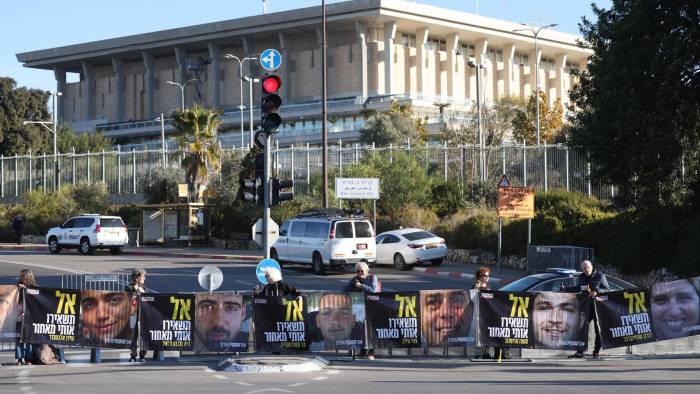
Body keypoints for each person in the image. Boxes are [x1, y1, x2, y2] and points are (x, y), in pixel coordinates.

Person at [564, 260, 609, 359]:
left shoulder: (599, 276)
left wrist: (597, 291)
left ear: (591, 267)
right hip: (586, 307)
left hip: (598, 308)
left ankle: (596, 352)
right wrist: (566, 289)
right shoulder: (581, 277)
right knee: (581, 328)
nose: (586, 270)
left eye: (587, 267)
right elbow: (578, 288)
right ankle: (580, 351)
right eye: (584, 268)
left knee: (598, 330)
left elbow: (607, 289)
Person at [344, 262, 379, 359]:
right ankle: (363, 351)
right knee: (361, 330)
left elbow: (373, 290)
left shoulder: (372, 277)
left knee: (370, 329)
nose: (360, 273)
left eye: (362, 271)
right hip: (359, 307)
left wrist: (361, 286)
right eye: (358, 271)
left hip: (371, 306)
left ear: (367, 270)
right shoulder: (355, 279)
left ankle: (371, 352)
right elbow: (344, 289)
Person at [472, 267, 506, 359]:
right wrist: (478, 286)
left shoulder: (488, 286)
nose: (487, 278)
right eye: (485, 275)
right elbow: (474, 297)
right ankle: (479, 353)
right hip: (478, 313)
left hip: (487, 314)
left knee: (486, 333)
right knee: (479, 334)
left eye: (488, 276)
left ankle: (486, 352)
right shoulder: (476, 286)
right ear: (479, 276)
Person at [125, 268, 147, 362]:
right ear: (137, 278)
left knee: (143, 335)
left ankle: (142, 355)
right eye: (143, 277)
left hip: (142, 314)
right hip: (133, 315)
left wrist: (142, 291)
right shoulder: (129, 287)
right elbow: (126, 297)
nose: (144, 278)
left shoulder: (144, 288)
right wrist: (135, 289)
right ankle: (133, 355)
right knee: (133, 335)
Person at [16, 269, 36, 365]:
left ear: (29, 277)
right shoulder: (17, 288)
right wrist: (19, 290)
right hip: (19, 317)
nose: (22, 278)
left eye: (23, 276)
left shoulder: (34, 288)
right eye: (21, 277)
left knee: (29, 339)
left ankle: (29, 358)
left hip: (29, 318)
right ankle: (19, 358)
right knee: (19, 339)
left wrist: (27, 290)